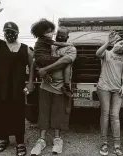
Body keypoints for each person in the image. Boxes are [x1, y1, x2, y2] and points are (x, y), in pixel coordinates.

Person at [0, 1, 34, 156]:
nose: (9, 33)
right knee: (0, 111)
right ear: (3, 33)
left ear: (17, 32)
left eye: (11, 31)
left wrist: (30, 83)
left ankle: (20, 142)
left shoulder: (26, 49)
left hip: (17, 86)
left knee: (17, 112)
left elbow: (31, 66)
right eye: (6, 31)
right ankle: (3, 139)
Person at [30, 26, 77, 156]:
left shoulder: (71, 48)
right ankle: (41, 140)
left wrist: (46, 69)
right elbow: (38, 59)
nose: (60, 36)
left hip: (60, 86)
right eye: (58, 34)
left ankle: (57, 139)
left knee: (58, 114)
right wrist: (42, 72)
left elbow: (66, 60)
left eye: (63, 34)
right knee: (43, 113)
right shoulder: (49, 45)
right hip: (46, 85)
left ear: (67, 36)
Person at [96, 31, 123, 156]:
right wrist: (108, 41)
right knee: (105, 113)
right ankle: (104, 143)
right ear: (114, 43)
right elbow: (97, 53)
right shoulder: (107, 53)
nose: (122, 46)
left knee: (115, 115)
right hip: (104, 88)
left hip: (117, 89)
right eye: (120, 43)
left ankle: (117, 145)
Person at [31, 18, 72, 96]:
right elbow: (59, 44)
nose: (51, 33)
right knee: (66, 62)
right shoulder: (45, 39)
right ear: (42, 32)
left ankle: (45, 73)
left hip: (39, 60)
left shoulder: (39, 40)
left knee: (55, 61)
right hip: (44, 58)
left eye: (52, 31)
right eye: (49, 32)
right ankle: (66, 84)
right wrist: (69, 44)